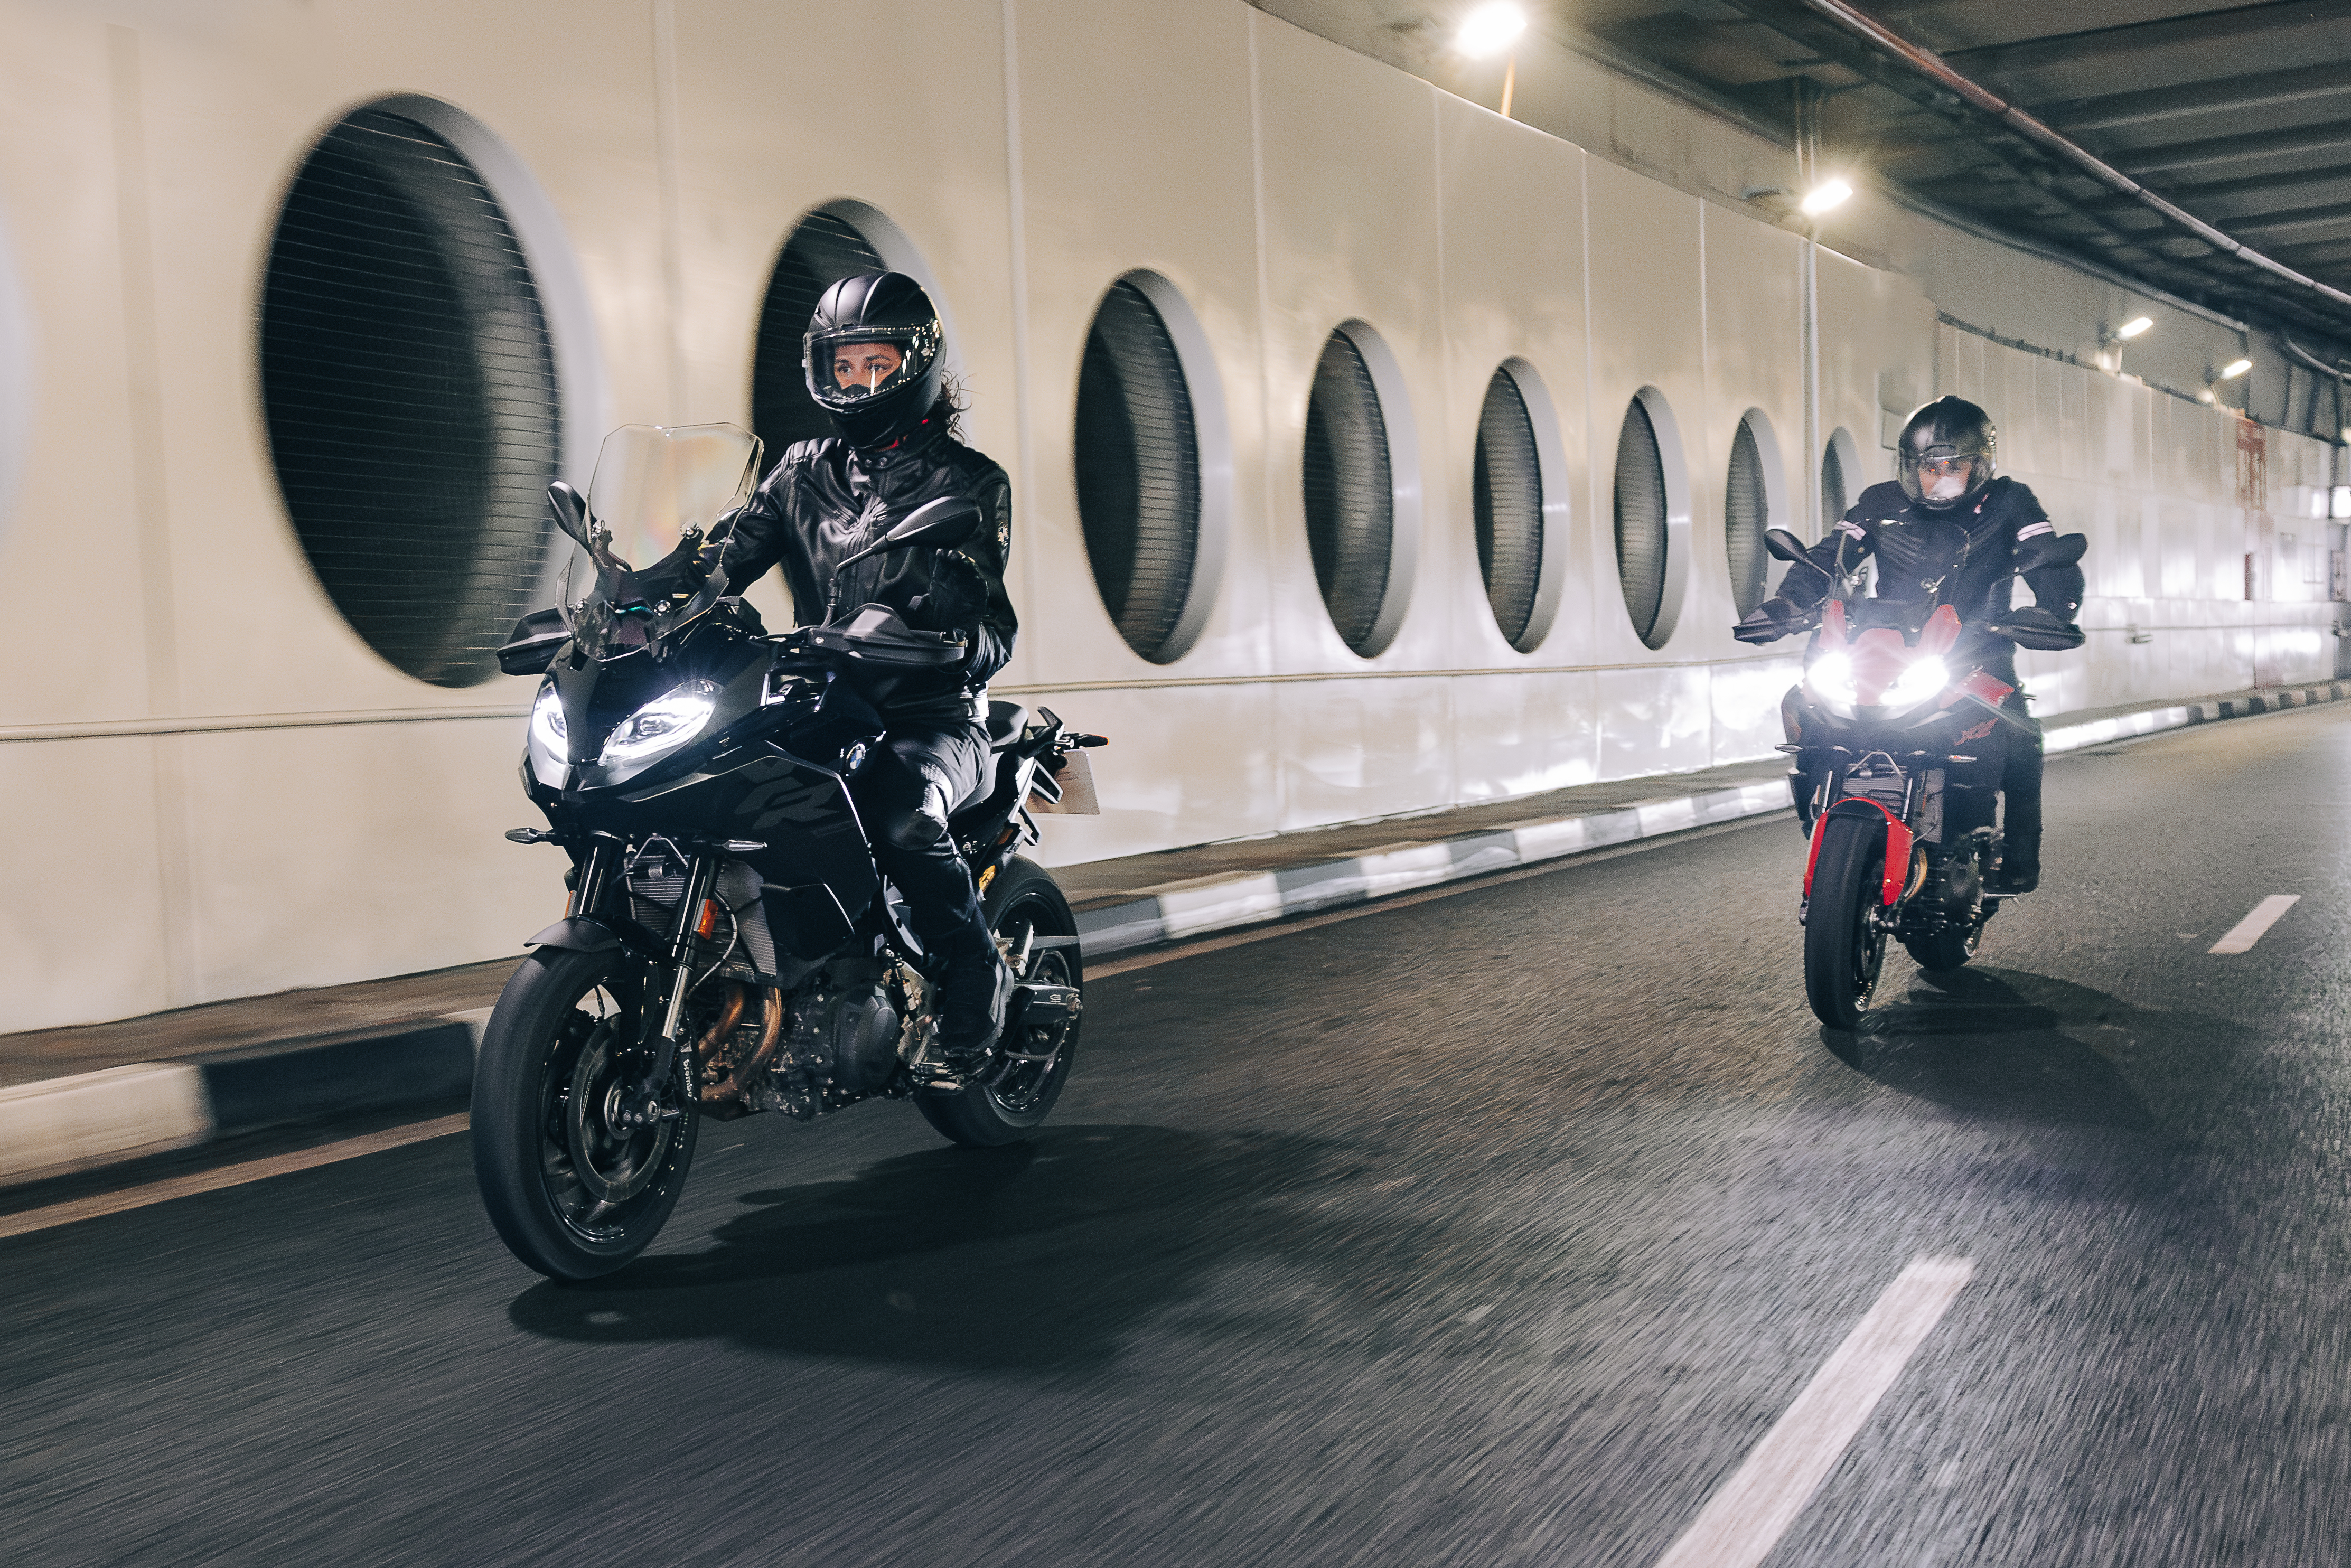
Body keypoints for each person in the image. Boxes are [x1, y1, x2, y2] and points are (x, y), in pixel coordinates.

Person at [706, 270, 1018, 1069]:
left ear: (916, 366)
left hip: (929, 714)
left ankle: (972, 969)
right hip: (823, 701)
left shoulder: (969, 482)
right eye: (842, 366)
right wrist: (647, 593)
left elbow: (996, 631)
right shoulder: (801, 469)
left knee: (903, 816)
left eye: (875, 365)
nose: (857, 384)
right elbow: (723, 560)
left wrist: (950, 637)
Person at [1734, 396, 2085, 894]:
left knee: (2021, 737)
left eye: (1951, 466)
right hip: (1883, 649)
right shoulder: (1879, 501)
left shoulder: (2011, 502)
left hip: (1976, 651)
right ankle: (1827, 826)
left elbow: (2048, 558)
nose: (1936, 477)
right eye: (1926, 466)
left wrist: (2054, 612)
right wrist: (1786, 605)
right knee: (1808, 706)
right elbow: (1828, 557)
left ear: (1980, 465)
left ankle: (2017, 862)